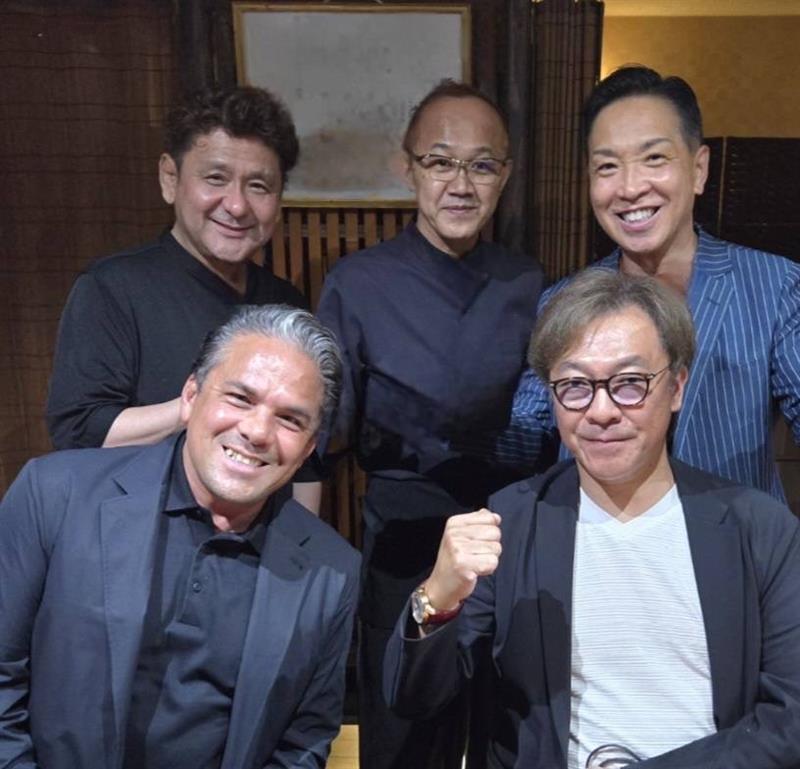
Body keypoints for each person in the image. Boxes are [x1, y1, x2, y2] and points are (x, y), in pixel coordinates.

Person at [385, 270, 800, 769]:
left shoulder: (760, 529)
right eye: (576, 385)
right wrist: (437, 598)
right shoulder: (510, 523)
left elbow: (789, 722)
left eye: (629, 383)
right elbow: (416, 701)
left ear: (676, 387)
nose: (601, 411)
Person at [0, 304, 359, 769]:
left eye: (290, 419)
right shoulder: (55, 494)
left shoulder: (331, 570)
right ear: (191, 396)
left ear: (308, 447)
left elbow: (303, 743)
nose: (256, 431)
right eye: (240, 398)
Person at [316, 80, 544, 768]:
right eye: (441, 162)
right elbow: (325, 436)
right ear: (407, 166)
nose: (461, 184)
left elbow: (548, 424)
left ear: (506, 174)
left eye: (482, 165)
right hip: (403, 549)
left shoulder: (528, 284)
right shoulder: (357, 283)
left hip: (507, 546)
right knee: (405, 742)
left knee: (510, 737)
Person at [507, 66, 800, 501]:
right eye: (607, 166)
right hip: (595, 535)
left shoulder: (775, 286)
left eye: (654, 159)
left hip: (732, 537)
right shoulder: (562, 300)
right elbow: (528, 435)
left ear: (699, 169)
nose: (629, 188)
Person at [45, 85, 321, 508]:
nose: (237, 205)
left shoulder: (285, 303)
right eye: (215, 178)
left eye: (259, 186)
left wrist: (304, 543)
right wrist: (193, 407)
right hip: (141, 528)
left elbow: (305, 457)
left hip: (264, 534)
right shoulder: (113, 287)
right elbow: (80, 430)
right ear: (170, 179)